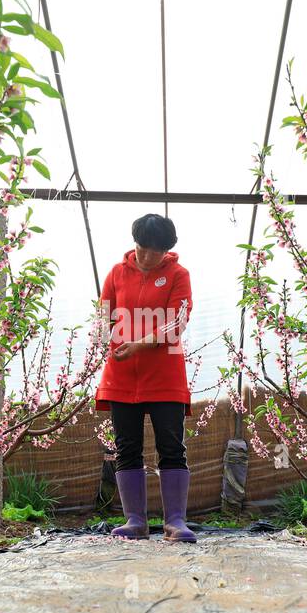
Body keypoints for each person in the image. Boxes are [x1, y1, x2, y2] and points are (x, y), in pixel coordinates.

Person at [94, 213, 195, 542]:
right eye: (142, 249)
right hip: (122, 375)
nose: (147, 257)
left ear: (167, 250)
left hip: (165, 374)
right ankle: (135, 520)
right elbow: (104, 316)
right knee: (126, 447)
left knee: (171, 447)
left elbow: (177, 322)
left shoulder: (179, 275)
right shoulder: (116, 273)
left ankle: (175, 522)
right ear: (134, 243)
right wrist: (110, 340)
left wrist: (138, 344)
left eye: (156, 252)